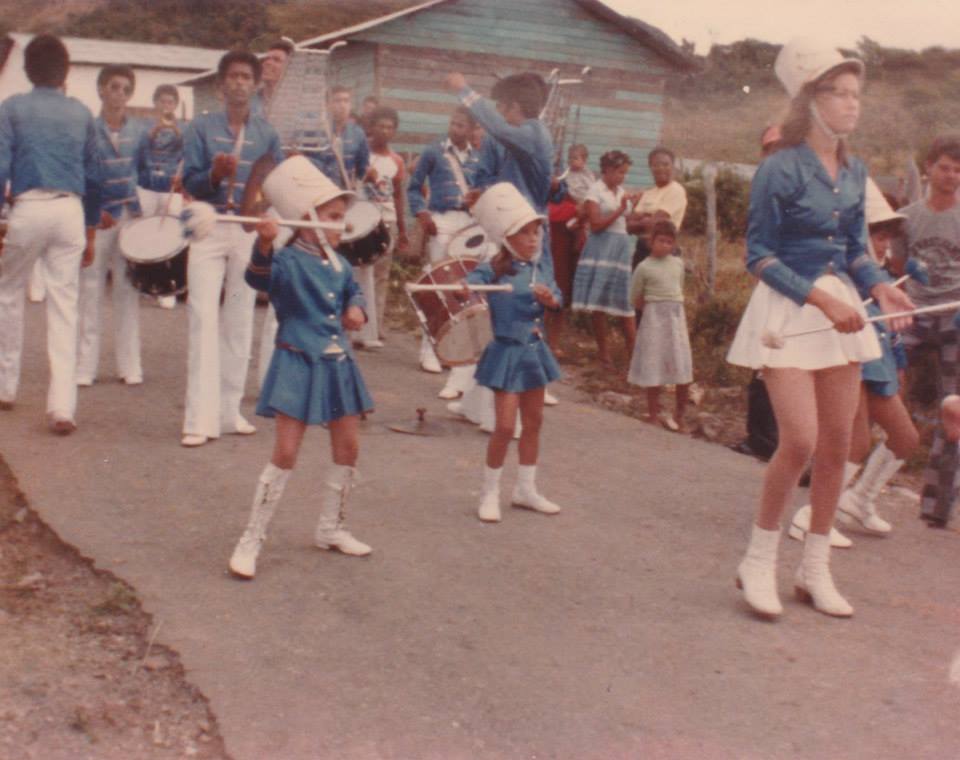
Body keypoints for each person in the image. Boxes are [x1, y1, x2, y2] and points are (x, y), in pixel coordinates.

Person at [726, 38, 914, 620]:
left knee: (837, 447)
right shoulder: (779, 168)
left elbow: (856, 250)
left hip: (842, 309)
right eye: (841, 93)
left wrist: (878, 284)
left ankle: (813, 569)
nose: (853, 104)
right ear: (811, 100)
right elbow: (756, 255)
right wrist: (819, 300)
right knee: (801, 441)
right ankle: (759, 560)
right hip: (788, 311)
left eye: (857, 93)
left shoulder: (857, 170)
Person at [229, 156, 373, 579]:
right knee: (287, 452)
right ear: (306, 218)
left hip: (337, 363)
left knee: (348, 448)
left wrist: (356, 308)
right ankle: (251, 538)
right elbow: (257, 279)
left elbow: (353, 292)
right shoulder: (287, 261)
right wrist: (264, 244)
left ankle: (331, 527)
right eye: (332, 216)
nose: (341, 224)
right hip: (297, 359)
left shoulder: (341, 264)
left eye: (343, 217)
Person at [788, 180, 920, 544]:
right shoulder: (847, 270)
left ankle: (857, 501)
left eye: (887, 237)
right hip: (853, 358)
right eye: (878, 236)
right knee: (855, 443)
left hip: (877, 361)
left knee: (906, 437)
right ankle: (813, 514)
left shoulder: (880, 275)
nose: (885, 245)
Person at [180, 50, 284, 447]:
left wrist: (264, 216)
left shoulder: (267, 132)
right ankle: (196, 419)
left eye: (247, 77)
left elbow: (272, 182)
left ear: (256, 84)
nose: (240, 83)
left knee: (239, 319)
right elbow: (191, 183)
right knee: (203, 317)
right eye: (233, 76)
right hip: (208, 227)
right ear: (221, 84)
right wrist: (214, 174)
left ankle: (228, 411)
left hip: (245, 231)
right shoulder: (200, 128)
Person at [446, 70, 560, 423]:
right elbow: (511, 185)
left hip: (528, 238)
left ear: (514, 107)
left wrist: (465, 91)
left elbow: (497, 129)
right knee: (497, 319)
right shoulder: (527, 137)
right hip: (514, 235)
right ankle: (477, 406)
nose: (499, 113)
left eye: (501, 107)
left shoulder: (532, 134)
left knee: (512, 321)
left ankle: (499, 415)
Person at [0, 34, 101, 433]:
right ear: (66, 71)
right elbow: (94, 176)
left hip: (29, 207)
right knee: (65, 305)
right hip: (70, 209)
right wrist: (91, 230)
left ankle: (5, 386)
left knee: (8, 292)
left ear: (26, 71)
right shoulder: (80, 113)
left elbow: (0, 165)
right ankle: (62, 407)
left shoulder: (12, 108)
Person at [465, 183, 563, 523]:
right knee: (505, 427)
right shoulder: (494, 268)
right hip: (506, 352)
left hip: (534, 353)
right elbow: (472, 283)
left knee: (534, 423)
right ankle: (489, 492)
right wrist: (473, 292)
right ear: (508, 237)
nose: (534, 239)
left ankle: (525, 489)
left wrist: (550, 301)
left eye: (537, 232)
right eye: (525, 233)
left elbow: (558, 297)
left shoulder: (540, 270)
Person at [898, 136, 960, 528]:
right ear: (929, 168)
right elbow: (896, 268)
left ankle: (936, 506)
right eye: (944, 166)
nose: (951, 175)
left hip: (953, 315)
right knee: (879, 384)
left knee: (954, 407)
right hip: (914, 313)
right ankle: (839, 474)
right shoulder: (907, 217)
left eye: (958, 168)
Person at [76, 64, 144, 387]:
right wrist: (94, 210)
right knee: (90, 289)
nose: (119, 94)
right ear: (101, 89)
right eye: (114, 86)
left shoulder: (140, 131)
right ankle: (85, 367)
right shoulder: (86, 128)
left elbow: (145, 172)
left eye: (126, 89)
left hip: (129, 216)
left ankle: (129, 365)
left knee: (127, 290)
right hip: (98, 218)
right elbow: (79, 173)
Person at [406, 105, 481, 391]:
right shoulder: (433, 151)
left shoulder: (479, 158)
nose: (456, 129)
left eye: (462, 125)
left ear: (473, 129)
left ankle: (458, 352)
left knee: (464, 288)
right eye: (453, 123)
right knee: (437, 286)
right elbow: (414, 188)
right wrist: (424, 216)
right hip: (441, 221)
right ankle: (429, 350)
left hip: (470, 226)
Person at [570, 150, 639, 368]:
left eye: (625, 173)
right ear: (607, 170)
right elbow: (597, 225)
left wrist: (633, 207)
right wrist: (620, 209)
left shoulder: (620, 191)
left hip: (619, 248)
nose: (622, 177)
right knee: (599, 303)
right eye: (619, 172)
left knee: (624, 303)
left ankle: (635, 358)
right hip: (601, 248)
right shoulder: (595, 191)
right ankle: (604, 353)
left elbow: (625, 221)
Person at [627, 220, 692, 431]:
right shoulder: (644, 267)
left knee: (682, 364)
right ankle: (653, 414)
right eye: (661, 241)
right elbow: (635, 297)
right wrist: (651, 310)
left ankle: (679, 415)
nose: (665, 245)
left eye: (669, 242)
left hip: (675, 318)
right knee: (654, 363)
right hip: (653, 318)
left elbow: (679, 287)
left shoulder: (678, 264)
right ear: (651, 241)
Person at [361, 105, 408, 348]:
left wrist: (402, 229)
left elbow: (399, 195)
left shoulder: (396, 160)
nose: (385, 131)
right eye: (381, 126)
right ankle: (357, 325)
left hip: (386, 220)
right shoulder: (361, 153)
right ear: (371, 127)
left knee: (382, 275)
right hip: (362, 220)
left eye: (390, 127)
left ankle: (375, 325)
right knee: (360, 271)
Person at [137, 83, 186, 309]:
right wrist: (152, 133)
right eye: (162, 101)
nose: (166, 106)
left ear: (175, 105)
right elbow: (137, 152)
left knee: (170, 237)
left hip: (170, 188)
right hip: (147, 186)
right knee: (147, 235)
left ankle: (169, 287)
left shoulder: (184, 126)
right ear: (155, 103)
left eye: (170, 102)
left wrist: (178, 134)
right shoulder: (144, 125)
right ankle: (149, 283)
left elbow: (189, 155)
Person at [546, 143, 594, 355]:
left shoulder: (586, 180)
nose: (573, 161)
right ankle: (538, 339)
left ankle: (553, 342)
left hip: (568, 242)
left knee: (562, 291)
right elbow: (549, 210)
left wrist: (578, 214)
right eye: (570, 157)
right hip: (550, 242)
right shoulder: (560, 181)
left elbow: (586, 207)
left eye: (577, 158)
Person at [627, 146, 688, 267]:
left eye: (665, 164)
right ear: (651, 168)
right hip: (642, 251)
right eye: (656, 165)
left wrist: (642, 218)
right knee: (636, 285)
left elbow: (655, 225)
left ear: (673, 166)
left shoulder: (676, 190)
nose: (661, 169)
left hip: (664, 252)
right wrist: (646, 219)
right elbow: (628, 226)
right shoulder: (648, 192)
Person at [251, 38, 293, 118]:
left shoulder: (297, 104)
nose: (267, 63)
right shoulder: (247, 101)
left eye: (276, 60)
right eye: (267, 59)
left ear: (290, 67)